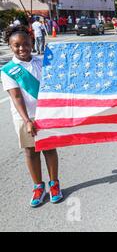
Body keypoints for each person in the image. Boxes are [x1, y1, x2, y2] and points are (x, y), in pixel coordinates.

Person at [1, 25, 63, 208]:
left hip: (45, 114)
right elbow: (17, 96)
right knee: (31, 151)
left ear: (32, 42)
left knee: (49, 149)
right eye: (17, 45)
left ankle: (54, 184)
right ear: (10, 46)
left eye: (26, 44)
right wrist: (28, 121)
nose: (22, 48)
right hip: (24, 117)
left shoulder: (42, 62)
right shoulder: (9, 70)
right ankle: (38, 186)